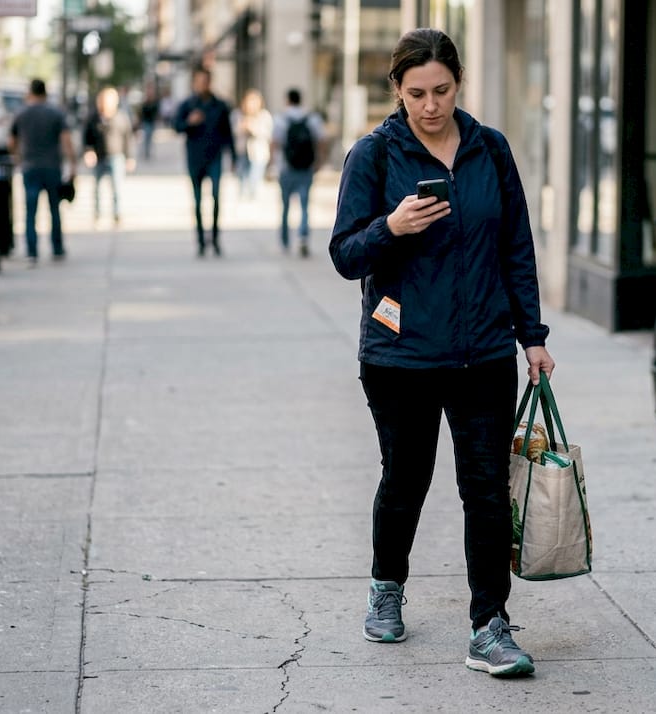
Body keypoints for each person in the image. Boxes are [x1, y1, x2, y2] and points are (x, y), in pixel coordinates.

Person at [330, 27, 554, 679]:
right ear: (396, 90)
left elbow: (517, 246)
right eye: (417, 93)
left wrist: (532, 337)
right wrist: (389, 228)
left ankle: (490, 626)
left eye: (443, 90)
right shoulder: (374, 155)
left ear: (459, 83)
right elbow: (345, 255)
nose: (431, 105)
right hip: (400, 356)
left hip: (484, 351)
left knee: (486, 491)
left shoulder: (490, 149)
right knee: (406, 480)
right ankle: (386, 587)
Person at [9, 78, 76, 265]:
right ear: (45, 93)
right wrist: (72, 164)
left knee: (30, 212)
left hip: (29, 167)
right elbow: (66, 141)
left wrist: (17, 159)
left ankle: (32, 251)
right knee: (54, 210)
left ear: (30, 92)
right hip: (52, 166)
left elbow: (11, 142)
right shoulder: (56, 113)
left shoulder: (21, 114)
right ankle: (57, 247)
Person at [173, 67, 237, 256]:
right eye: (199, 81)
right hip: (195, 159)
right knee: (198, 200)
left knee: (217, 198)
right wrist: (189, 123)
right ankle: (201, 240)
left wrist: (233, 156)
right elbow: (176, 126)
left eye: (206, 81)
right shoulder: (188, 105)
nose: (203, 85)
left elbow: (228, 133)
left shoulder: (220, 105)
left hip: (215, 157)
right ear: (195, 83)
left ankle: (215, 238)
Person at [271, 88, 326, 257]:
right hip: (305, 167)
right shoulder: (312, 119)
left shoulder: (281, 119)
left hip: (286, 167)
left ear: (287, 100)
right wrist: (319, 161)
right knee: (304, 205)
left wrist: (272, 163)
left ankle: (285, 241)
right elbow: (321, 141)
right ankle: (303, 237)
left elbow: (274, 143)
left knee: (285, 206)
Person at [82, 86, 135, 227]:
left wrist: (130, 157)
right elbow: (86, 136)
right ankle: (97, 213)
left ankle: (117, 214)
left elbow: (128, 137)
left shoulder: (121, 117)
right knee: (97, 188)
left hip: (116, 156)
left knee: (117, 188)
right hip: (99, 156)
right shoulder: (93, 117)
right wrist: (88, 151)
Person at [233, 89, 273, 201]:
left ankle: (251, 198)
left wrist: (253, 128)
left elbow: (268, 134)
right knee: (241, 176)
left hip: (258, 153)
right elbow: (233, 131)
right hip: (242, 151)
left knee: (254, 178)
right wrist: (242, 126)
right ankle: (242, 199)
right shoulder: (238, 115)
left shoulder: (264, 116)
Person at [138, 84, 160, 161]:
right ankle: (145, 152)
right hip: (146, 122)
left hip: (151, 122)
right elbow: (142, 112)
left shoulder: (155, 101)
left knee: (150, 138)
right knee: (146, 137)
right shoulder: (145, 101)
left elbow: (156, 111)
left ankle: (147, 152)